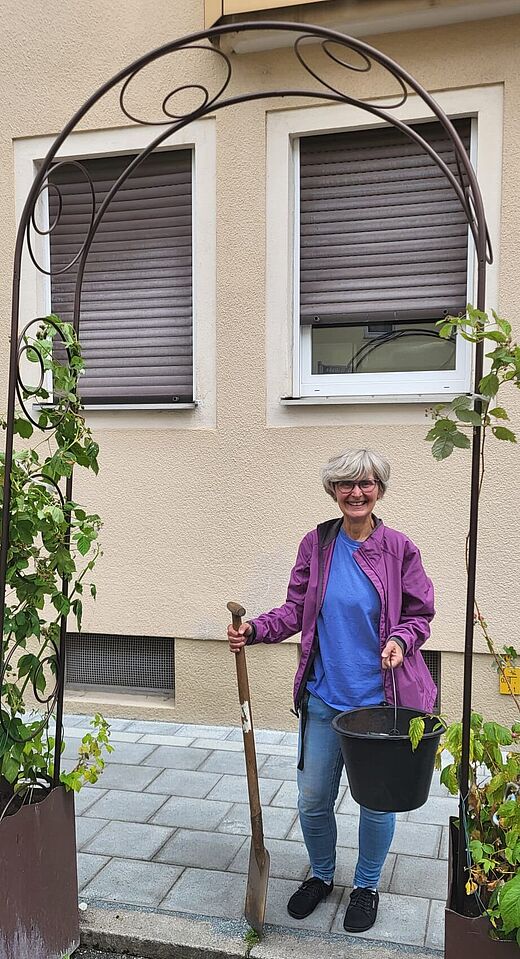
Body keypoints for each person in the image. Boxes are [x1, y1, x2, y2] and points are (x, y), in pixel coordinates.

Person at [227, 448, 436, 934]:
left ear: (379, 490)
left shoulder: (399, 549)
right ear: (333, 491)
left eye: (365, 484)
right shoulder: (318, 544)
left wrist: (402, 639)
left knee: (377, 802)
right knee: (312, 799)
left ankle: (365, 885)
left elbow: (419, 614)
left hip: (379, 706)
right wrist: (255, 631)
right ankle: (321, 875)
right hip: (324, 700)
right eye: (346, 485)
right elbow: (294, 610)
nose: (356, 493)